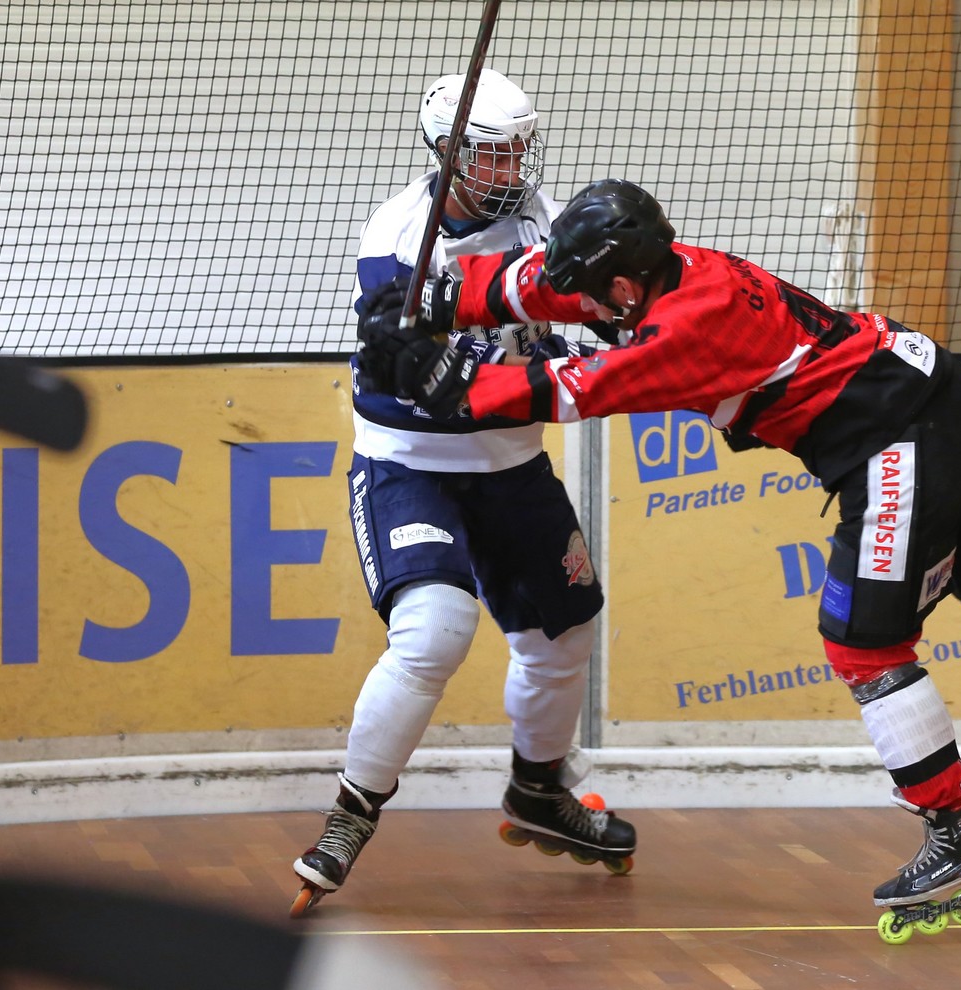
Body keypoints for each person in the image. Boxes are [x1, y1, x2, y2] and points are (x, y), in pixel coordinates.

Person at [353, 178, 961, 921]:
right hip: (935, 397)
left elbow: (559, 392)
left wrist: (435, 378)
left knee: (862, 643)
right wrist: (430, 299)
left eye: (592, 290)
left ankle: (957, 831)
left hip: (891, 439)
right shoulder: (669, 265)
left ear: (625, 279)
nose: (577, 298)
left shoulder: (685, 327)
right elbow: (538, 286)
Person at [290, 76, 634, 917]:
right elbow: (406, 365)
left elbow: (599, 317)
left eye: (519, 150)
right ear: (446, 151)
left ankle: (538, 790)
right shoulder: (396, 234)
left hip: (512, 464)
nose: (512, 169)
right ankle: (351, 814)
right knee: (434, 631)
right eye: (492, 154)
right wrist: (527, 364)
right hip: (410, 463)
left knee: (566, 634)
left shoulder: (547, 222)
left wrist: (623, 311)